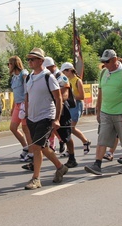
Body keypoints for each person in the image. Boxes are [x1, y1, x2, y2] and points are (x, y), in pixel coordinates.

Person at [84, 49, 122, 175]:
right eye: (103, 62)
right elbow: (101, 92)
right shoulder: (103, 73)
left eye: (107, 61)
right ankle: (97, 164)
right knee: (102, 138)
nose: (105, 64)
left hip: (121, 112)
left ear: (115, 59)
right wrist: (98, 110)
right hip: (106, 112)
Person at [23, 48, 68, 190]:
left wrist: (56, 119)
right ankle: (61, 167)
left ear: (41, 61)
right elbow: (27, 96)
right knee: (43, 147)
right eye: (29, 59)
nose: (30, 62)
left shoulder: (48, 76)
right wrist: (26, 113)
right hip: (32, 117)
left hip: (46, 116)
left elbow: (58, 97)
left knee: (36, 147)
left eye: (33, 59)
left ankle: (36, 179)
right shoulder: (29, 77)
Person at [43, 57, 78, 168]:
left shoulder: (61, 77)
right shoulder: (46, 76)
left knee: (66, 135)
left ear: (51, 66)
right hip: (48, 109)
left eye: (46, 68)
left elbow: (65, 95)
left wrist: (56, 103)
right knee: (42, 137)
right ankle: (35, 162)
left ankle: (72, 158)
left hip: (61, 110)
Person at [61, 62, 92, 156]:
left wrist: (71, 96)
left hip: (76, 105)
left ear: (70, 71)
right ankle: (84, 142)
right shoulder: (65, 80)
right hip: (68, 106)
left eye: (64, 71)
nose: (63, 73)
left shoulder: (77, 81)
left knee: (71, 128)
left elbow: (82, 96)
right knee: (68, 128)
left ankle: (83, 142)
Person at [8, 56, 32, 162]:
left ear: (14, 64)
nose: (8, 66)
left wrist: (26, 106)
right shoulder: (14, 77)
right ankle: (26, 147)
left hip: (24, 104)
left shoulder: (24, 74)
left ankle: (31, 153)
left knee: (26, 128)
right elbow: (15, 93)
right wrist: (13, 107)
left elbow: (28, 91)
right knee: (13, 127)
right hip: (17, 104)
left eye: (9, 63)